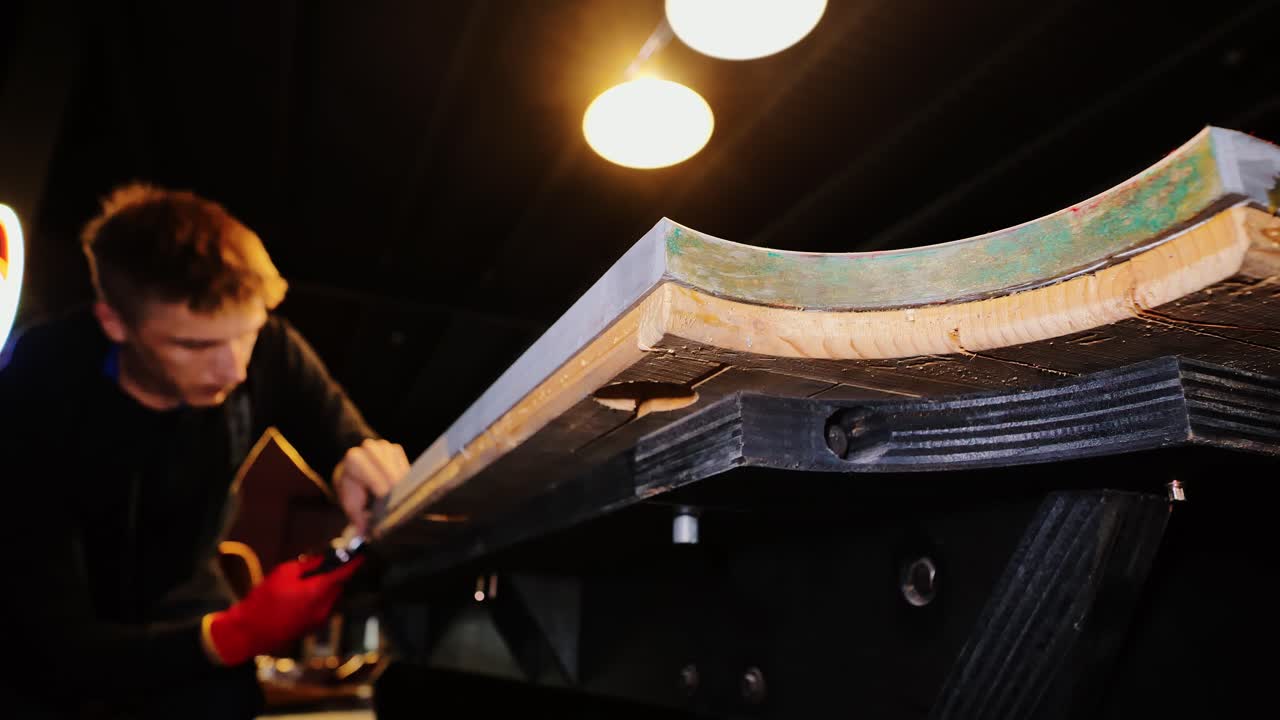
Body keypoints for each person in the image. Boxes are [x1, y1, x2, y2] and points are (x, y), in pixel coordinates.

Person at [0, 183, 411, 717]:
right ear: (114, 322)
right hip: (60, 624)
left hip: (185, 591)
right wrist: (237, 633)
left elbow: (343, 436)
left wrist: (358, 458)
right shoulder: (34, 389)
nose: (234, 369)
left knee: (225, 702)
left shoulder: (267, 349)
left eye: (247, 334)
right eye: (194, 345)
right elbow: (57, 647)